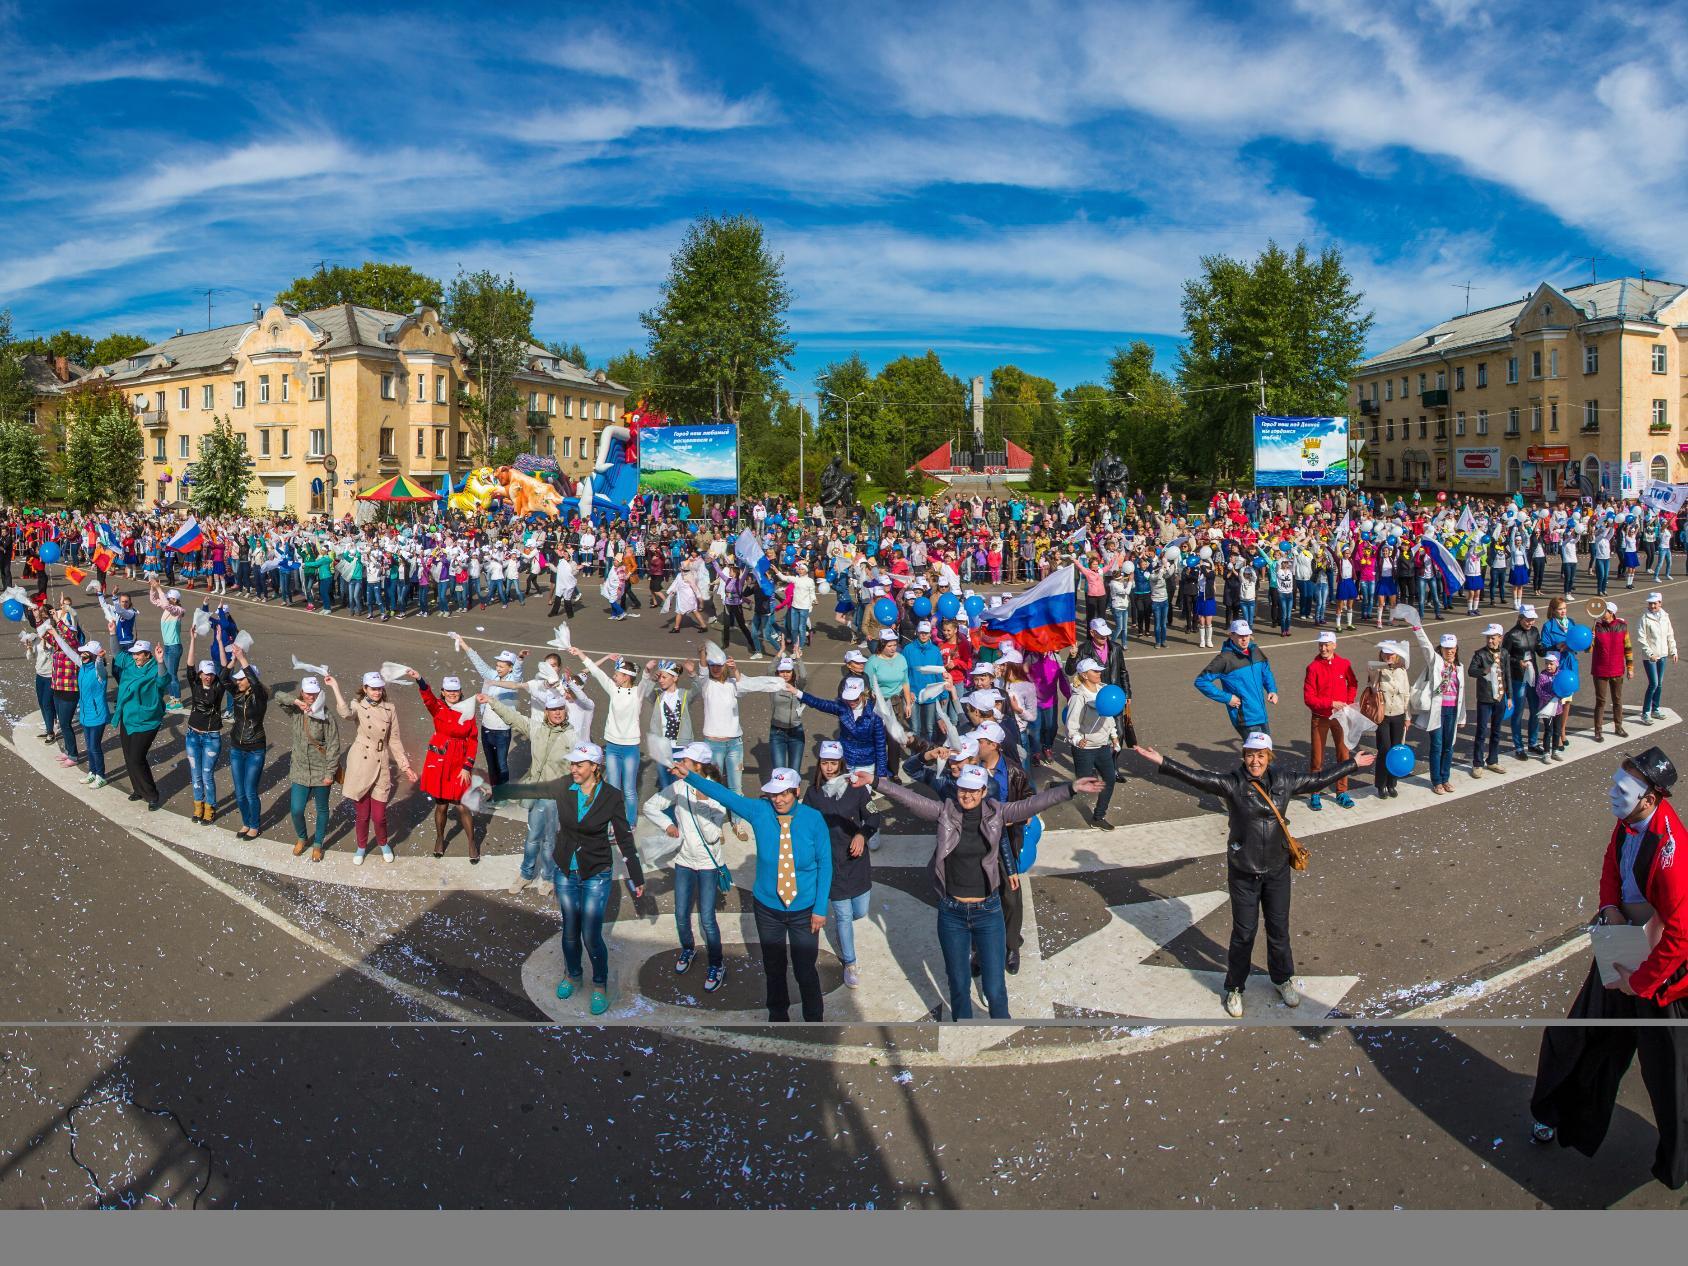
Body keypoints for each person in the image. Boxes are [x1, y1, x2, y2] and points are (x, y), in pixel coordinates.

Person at [1529, 747, 1688, 1190]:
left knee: (1670, 1073)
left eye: (1625, 789)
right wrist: (1609, 906)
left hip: (1661, 978)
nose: (1614, 794)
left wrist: (1642, 983)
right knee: (1576, 1038)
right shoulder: (1628, 823)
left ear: (1651, 798)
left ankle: (1677, 1160)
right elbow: (1610, 865)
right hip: (1622, 953)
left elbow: (1679, 935)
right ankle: (1555, 1115)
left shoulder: (1672, 851)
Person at [1136, 733, 1372, 1016]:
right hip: (1244, 872)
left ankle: (1282, 979)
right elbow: (1198, 778)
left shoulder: (1284, 781)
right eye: (1250, 754)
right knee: (1244, 934)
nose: (1255, 760)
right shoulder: (1233, 783)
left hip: (1277, 871)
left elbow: (1317, 780)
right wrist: (1163, 762)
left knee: (1278, 931)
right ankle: (1234, 988)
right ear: (1243, 756)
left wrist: (1352, 764)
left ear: (1269, 757)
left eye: (1260, 755)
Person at [860, 765, 1099, 1021]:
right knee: (959, 983)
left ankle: (1001, 1025)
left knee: (995, 987)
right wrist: (875, 781)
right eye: (964, 789)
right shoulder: (945, 813)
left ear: (984, 791)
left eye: (974, 790)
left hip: (988, 911)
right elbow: (909, 799)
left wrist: (1071, 788)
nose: (968, 795)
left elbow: (1034, 804)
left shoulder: (998, 813)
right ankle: (963, 1025)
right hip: (951, 913)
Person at [496, 742, 646, 1017]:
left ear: (594, 767)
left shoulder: (611, 797)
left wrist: (636, 875)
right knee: (569, 930)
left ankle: (599, 985)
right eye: (572, 763)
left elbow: (624, 837)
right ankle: (572, 975)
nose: (573, 768)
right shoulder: (565, 785)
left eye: (578, 764)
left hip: (595, 873)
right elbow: (534, 790)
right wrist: (497, 790)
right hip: (565, 870)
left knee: (590, 933)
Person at [676, 764, 831, 1022]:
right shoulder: (760, 811)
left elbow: (825, 864)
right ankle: (778, 1017)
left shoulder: (814, 820)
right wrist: (690, 777)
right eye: (774, 794)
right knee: (774, 967)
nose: (778, 800)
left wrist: (820, 909)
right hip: (768, 909)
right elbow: (725, 796)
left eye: (784, 794)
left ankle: (814, 1020)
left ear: (796, 791)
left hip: (805, 910)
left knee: (805, 969)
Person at [643, 741, 730, 991]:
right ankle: (688, 950)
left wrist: (702, 802)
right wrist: (668, 825)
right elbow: (651, 806)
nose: (680, 764)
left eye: (685, 762)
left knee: (707, 919)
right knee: (681, 914)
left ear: (698, 766)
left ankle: (717, 964)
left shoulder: (716, 793)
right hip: (683, 860)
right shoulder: (680, 786)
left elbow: (713, 834)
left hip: (707, 864)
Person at [488, 684, 577, 895]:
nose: (557, 713)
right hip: (534, 792)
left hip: (554, 796)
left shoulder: (572, 737)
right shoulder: (537, 728)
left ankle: (547, 878)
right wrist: (492, 702)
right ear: (546, 712)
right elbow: (514, 718)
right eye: (553, 710)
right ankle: (526, 874)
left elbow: (582, 768)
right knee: (532, 837)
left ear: (565, 711)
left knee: (549, 840)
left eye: (561, 709)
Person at [804, 740, 879, 989]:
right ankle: (850, 962)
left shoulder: (856, 788)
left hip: (856, 863)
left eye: (833, 763)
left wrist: (862, 834)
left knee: (860, 911)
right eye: (824, 763)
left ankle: (844, 934)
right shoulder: (813, 794)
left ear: (840, 764)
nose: (828, 768)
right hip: (830, 864)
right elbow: (803, 823)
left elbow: (874, 815)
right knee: (844, 915)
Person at [336, 671, 417, 865]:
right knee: (363, 815)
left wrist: (406, 767)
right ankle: (361, 847)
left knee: (379, 816)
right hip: (361, 761)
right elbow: (346, 713)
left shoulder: (390, 709)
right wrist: (335, 688)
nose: (377, 692)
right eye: (373, 688)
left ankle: (383, 843)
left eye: (380, 688)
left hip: (381, 761)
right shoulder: (357, 706)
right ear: (365, 689)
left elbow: (394, 740)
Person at [414, 671, 481, 862]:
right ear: (442, 692)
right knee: (441, 805)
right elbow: (428, 699)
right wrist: (420, 679)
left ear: (461, 692)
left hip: (459, 762)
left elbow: (473, 739)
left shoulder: (468, 709)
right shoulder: (437, 707)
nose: (452, 694)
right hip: (439, 761)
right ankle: (440, 838)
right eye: (449, 691)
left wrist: (467, 766)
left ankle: (471, 842)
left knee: (462, 806)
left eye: (456, 691)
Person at [277, 674, 343, 858]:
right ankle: (302, 838)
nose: (311, 697)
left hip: (321, 771)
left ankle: (318, 843)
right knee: (296, 809)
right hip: (299, 770)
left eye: (314, 693)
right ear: (302, 692)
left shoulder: (327, 716)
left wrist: (330, 773)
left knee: (322, 809)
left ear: (320, 693)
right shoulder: (296, 711)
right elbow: (278, 697)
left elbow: (333, 746)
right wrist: (296, 702)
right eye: (307, 693)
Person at [109, 639, 170, 811]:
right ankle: (138, 789)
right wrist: (113, 632)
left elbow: (163, 681)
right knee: (129, 756)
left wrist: (160, 662)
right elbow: (116, 653)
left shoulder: (153, 669)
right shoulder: (130, 663)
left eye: (138, 653)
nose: (135, 656)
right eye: (134, 653)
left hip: (147, 721)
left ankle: (152, 795)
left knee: (137, 757)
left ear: (147, 654)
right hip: (128, 718)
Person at [1194, 619, 1279, 739]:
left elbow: (1265, 670)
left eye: (1247, 635)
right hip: (1245, 718)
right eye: (1240, 636)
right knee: (1259, 753)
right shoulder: (1224, 659)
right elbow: (1201, 681)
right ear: (1231, 635)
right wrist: (1227, 698)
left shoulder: (1255, 651)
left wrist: (1272, 690)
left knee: (1265, 752)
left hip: (1261, 713)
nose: (1244, 639)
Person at [1301, 630, 1358, 811]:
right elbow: (1309, 698)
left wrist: (1347, 703)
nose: (1323, 648)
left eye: (1326, 645)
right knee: (1317, 757)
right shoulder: (1313, 667)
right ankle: (1315, 792)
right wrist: (1331, 703)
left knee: (1343, 755)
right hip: (1321, 718)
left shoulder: (1344, 664)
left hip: (1341, 718)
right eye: (1321, 645)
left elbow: (1353, 683)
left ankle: (1342, 792)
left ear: (1334, 645)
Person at [1065, 657, 1121, 830]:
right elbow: (1071, 724)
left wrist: (1114, 736)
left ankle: (1098, 816)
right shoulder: (1078, 697)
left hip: (1103, 746)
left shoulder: (1104, 690)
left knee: (1109, 779)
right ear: (1084, 675)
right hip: (1085, 748)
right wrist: (1076, 739)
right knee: (1083, 784)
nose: (1099, 673)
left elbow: (1109, 717)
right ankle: (1056, 788)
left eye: (1099, 670)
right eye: (1095, 671)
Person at [1410, 626, 1466, 795]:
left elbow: (1461, 695)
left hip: (1452, 711)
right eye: (1446, 648)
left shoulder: (1459, 667)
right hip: (1437, 711)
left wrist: (1462, 717)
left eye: (1452, 648)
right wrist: (1417, 627)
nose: (1449, 651)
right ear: (1440, 649)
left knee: (1449, 746)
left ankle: (1445, 778)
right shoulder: (1436, 663)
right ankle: (1436, 781)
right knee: (1437, 745)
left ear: (1456, 648)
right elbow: (1425, 646)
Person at [223, 647, 270, 839]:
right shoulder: (237, 693)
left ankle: (254, 825)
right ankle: (245, 822)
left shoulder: (260, 696)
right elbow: (223, 678)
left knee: (250, 790)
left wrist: (243, 659)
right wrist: (233, 660)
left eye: (242, 679)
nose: (238, 681)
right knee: (239, 791)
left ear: (250, 681)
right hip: (236, 747)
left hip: (255, 748)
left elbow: (256, 685)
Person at [182, 655, 227, 824]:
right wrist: (192, 639)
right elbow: (189, 666)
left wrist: (222, 645)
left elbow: (225, 669)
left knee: (207, 774)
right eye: (205, 673)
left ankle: (210, 807)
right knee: (195, 774)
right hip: (193, 736)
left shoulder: (218, 689)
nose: (208, 676)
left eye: (211, 674)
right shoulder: (195, 686)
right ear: (200, 674)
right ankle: (198, 806)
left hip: (211, 736)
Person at [1466, 623, 1507, 778]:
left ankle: (1493, 759)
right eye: (1488, 638)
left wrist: (1508, 696)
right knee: (1481, 731)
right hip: (1485, 697)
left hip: (1500, 697)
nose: (1490, 641)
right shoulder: (1480, 654)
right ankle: (1477, 763)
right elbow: (1471, 671)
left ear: (1500, 638)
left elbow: (1507, 674)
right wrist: (1485, 670)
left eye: (1493, 638)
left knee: (1496, 731)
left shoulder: (1504, 653)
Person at [1590, 600, 1634, 742]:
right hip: (1600, 670)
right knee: (1600, 701)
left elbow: (1628, 648)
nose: (1602, 614)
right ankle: (1598, 731)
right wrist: (1590, 640)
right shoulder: (1596, 627)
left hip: (1616, 670)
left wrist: (1630, 668)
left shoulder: (1622, 627)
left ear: (1612, 613)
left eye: (1605, 611)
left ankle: (1618, 727)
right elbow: (1589, 650)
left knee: (1617, 700)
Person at [1503, 603, 1544, 758]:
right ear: (1520, 618)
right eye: (1527, 619)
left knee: (1535, 710)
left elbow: (1540, 651)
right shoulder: (1511, 635)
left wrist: (1555, 646)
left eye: (1532, 619)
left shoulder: (1534, 631)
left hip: (1533, 677)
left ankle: (1533, 743)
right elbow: (1504, 657)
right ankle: (1519, 746)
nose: (1531, 622)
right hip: (1518, 678)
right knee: (1518, 713)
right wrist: (1517, 661)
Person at [1637, 591, 1678, 725]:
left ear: (1660, 603)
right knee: (1653, 683)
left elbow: (1669, 635)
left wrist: (1674, 651)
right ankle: (1645, 713)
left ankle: (1655, 709)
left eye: (1655, 603)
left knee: (1659, 684)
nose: (1652, 606)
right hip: (1650, 657)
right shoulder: (1644, 618)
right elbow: (1641, 638)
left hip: (1663, 655)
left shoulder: (1665, 616)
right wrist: (1650, 654)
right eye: (1650, 603)